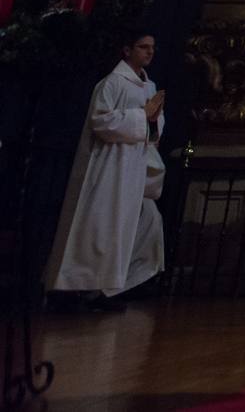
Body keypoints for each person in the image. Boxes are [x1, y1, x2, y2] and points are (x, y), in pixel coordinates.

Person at [44, 32, 167, 310]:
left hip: (133, 164)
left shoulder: (150, 87)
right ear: (127, 50)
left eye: (152, 48)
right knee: (97, 224)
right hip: (107, 165)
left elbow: (155, 130)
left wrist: (153, 120)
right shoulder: (111, 83)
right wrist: (142, 116)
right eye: (143, 47)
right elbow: (101, 121)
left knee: (119, 229)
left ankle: (103, 289)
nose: (149, 53)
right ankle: (72, 289)